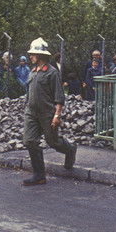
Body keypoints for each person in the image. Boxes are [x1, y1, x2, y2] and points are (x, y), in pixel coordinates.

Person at [21, 37, 77, 186]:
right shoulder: (32, 72)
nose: (30, 56)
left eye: (33, 54)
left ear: (40, 55)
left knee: (53, 142)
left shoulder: (52, 73)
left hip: (47, 114)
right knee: (29, 141)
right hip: (31, 113)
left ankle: (70, 150)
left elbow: (59, 97)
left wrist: (56, 115)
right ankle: (39, 175)